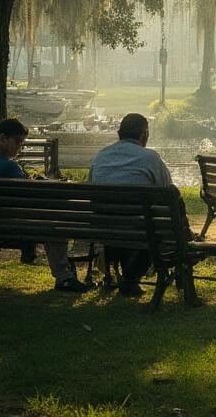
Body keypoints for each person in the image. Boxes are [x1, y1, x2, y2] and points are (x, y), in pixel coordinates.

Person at [0, 118, 89, 293]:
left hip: (2, 219)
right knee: (56, 224)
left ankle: (65, 274)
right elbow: (32, 193)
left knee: (54, 219)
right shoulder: (8, 166)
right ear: (2, 138)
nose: (20, 146)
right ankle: (63, 277)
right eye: (18, 141)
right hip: (14, 223)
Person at [89, 113, 173, 296]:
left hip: (104, 226)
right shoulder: (150, 158)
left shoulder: (101, 156)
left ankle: (126, 276)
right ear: (144, 135)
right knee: (153, 225)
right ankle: (131, 278)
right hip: (140, 228)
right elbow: (168, 192)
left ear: (119, 133)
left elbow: (91, 191)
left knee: (128, 222)